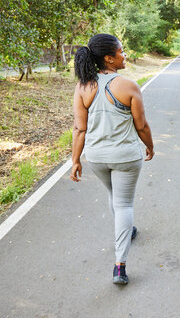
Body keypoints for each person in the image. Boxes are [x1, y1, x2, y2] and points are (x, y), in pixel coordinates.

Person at [70, 33, 154, 285]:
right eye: (121, 51)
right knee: (125, 204)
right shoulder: (128, 86)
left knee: (114, 197)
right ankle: (120, 266)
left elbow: (79, 129)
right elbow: (142, 126)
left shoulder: (83, 86)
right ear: (108, 58)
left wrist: (76, 160)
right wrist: (150, 146)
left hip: (96, 157)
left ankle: (128, 230)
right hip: (126, 156)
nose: (124, 54)